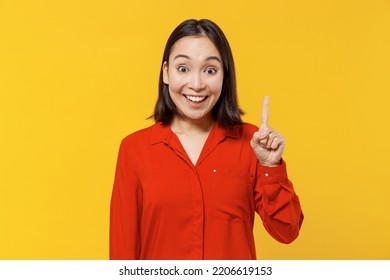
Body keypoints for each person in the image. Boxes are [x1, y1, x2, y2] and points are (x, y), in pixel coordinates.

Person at [110, 19, 303, 260]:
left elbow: (287, 231)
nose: (197, 84)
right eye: (183, 68)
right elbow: (123, 249)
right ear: (166, 72)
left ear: (225, 77)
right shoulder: (134, 149)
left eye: (210, 70)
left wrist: (270, 167)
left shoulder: (253, 143)